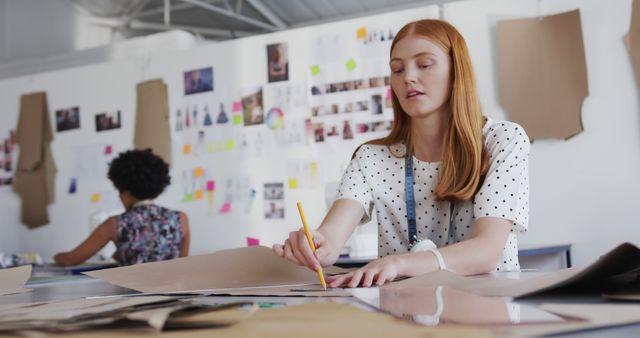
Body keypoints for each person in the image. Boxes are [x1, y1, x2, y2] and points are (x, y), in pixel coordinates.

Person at [273, 19, 530, 288]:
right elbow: (331, 237)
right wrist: (316, 245)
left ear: (457, 72)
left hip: (488, 316)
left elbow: (487, 253)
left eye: (424, 64)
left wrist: (399, 262)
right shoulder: (370, 158)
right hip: (404, 319)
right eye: (397, 69)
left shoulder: (503, 140)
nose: (407, 77)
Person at [54, 149, 190, 266]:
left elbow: (70, 260)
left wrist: (57, 257)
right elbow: (182, 266)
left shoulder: (115, 224)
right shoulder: (180, 219)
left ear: (125, 193)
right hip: (174, 294)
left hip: (133, 295)